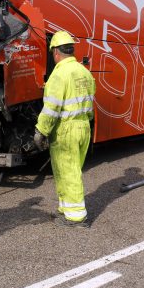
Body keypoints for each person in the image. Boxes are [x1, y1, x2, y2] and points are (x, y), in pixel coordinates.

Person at [34, 30, 96, 228]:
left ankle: (76, 217)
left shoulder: (59, 74)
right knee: (69, 170)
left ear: (55, 53)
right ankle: (65, 208)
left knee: (68, 172)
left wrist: (41, 130)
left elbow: (51, 107)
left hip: (66, 129)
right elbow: (90, 105)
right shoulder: (85, 73)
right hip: (84, 127)